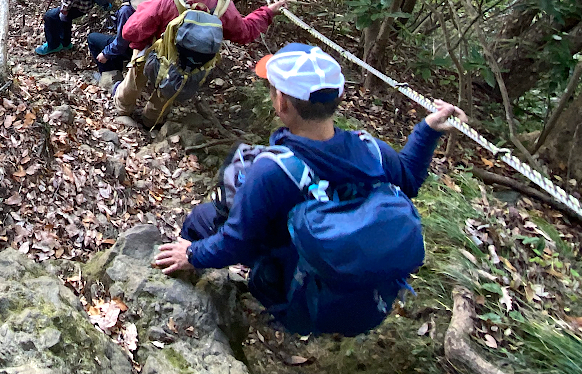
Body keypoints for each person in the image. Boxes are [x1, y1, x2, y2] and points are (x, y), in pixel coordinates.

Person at [153, 43, 467, 335]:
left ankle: (182, 280)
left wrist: (192, 254)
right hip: (364, 295)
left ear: (282, 103)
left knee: (204, 217)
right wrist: (427, 130)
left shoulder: (273, 170)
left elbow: (237, 245)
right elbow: (409, 180)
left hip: (298, 293)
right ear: (339, 97)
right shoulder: (371, 150)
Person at [112, 0, 285, 126]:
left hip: (153, 54)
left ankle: (123, 108)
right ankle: (150, 120)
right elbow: (245, 32)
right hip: (188, 64)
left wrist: (140, 43)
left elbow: (130, 30)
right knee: (166, 93)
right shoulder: (222, 6)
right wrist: (268, 12)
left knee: (135, 77)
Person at [87, 0, 166, 82]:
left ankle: (110, 78)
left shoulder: (129, 9)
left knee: (93, 39)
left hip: (143, 48)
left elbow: (122, 42)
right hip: (164, 45)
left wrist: (106, 53)